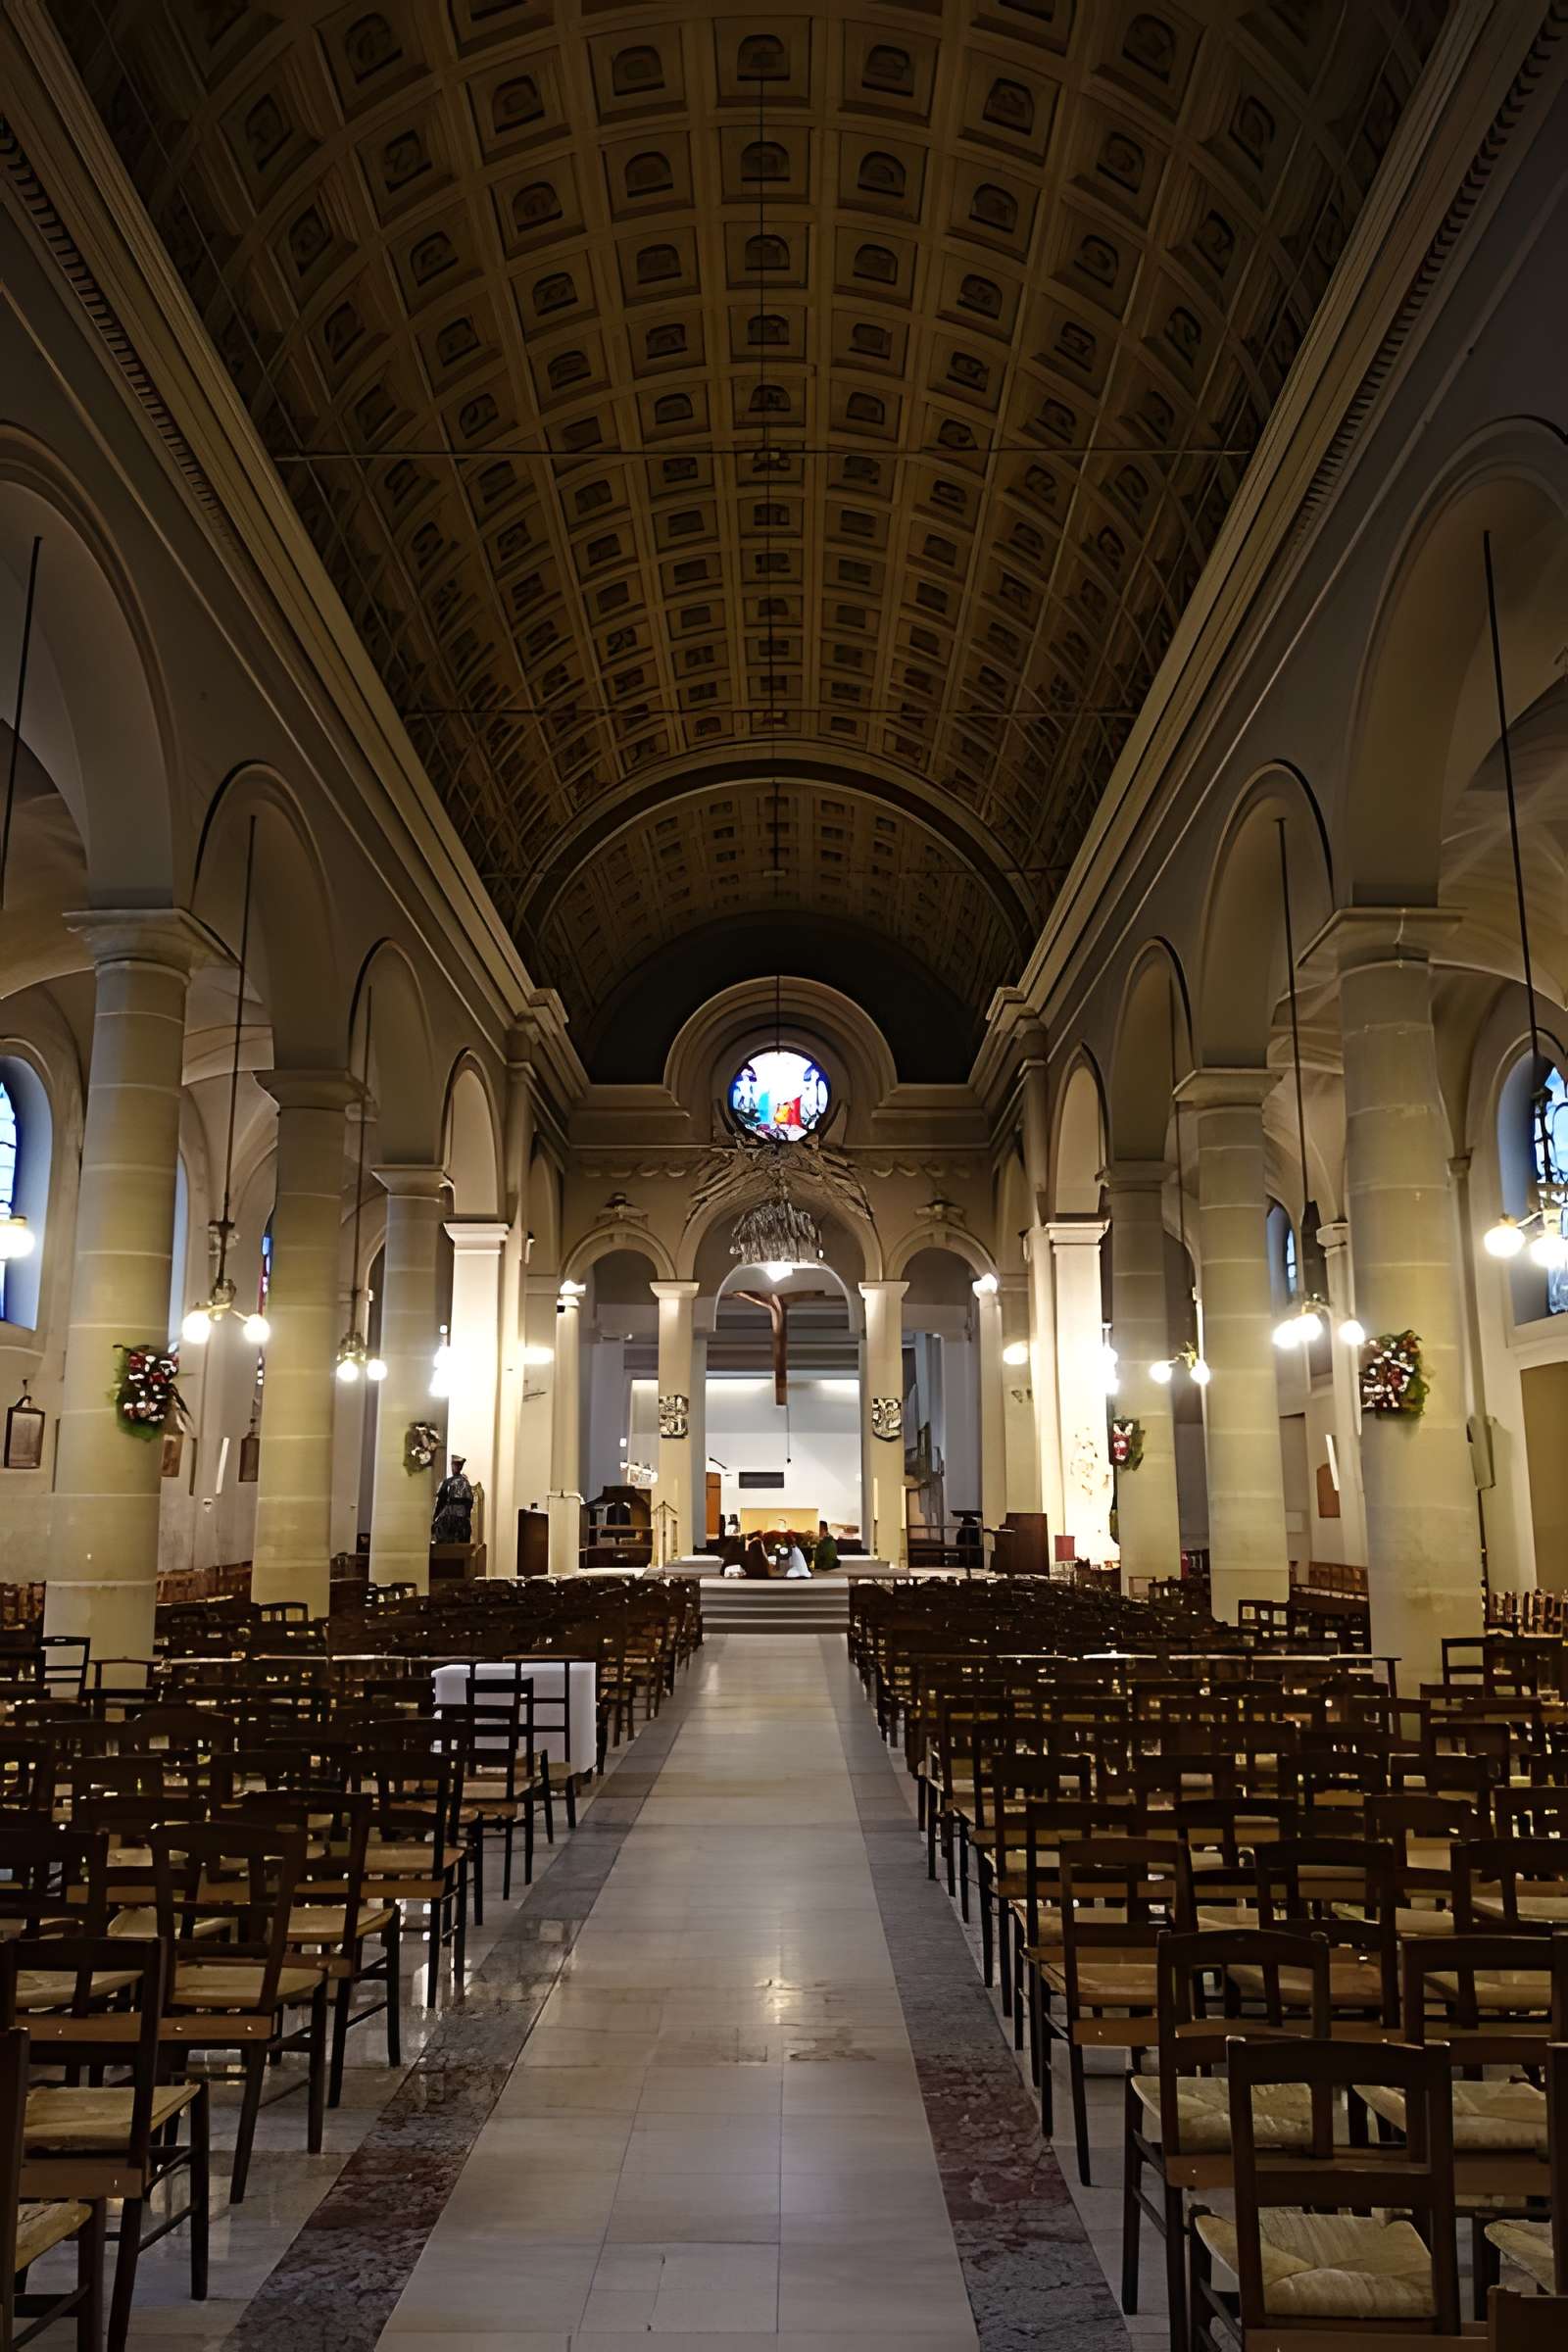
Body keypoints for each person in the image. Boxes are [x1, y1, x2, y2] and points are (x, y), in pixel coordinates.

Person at [431, 1454, 474, 1545]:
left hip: (449, 1519)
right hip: (462, 1519)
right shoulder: (466, 1482)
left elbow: (441, 1501)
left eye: (454, 1465)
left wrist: (435, 1517)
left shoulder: (447, 1482)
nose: (453, 1467)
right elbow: (469, 1502)